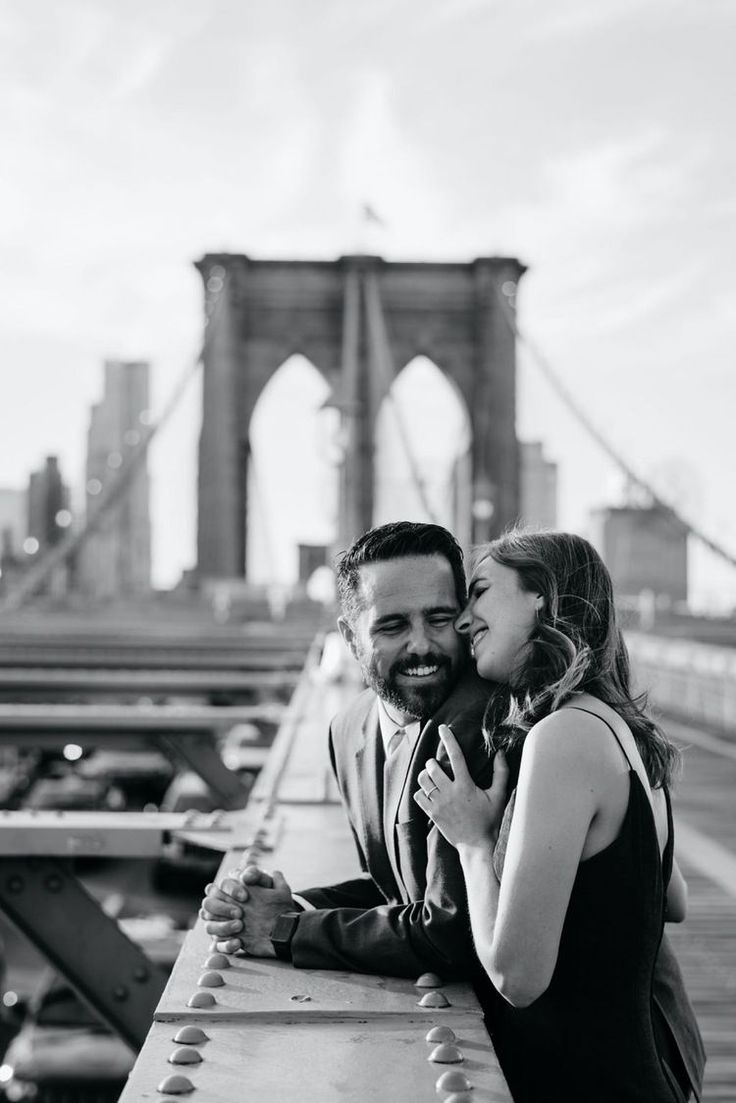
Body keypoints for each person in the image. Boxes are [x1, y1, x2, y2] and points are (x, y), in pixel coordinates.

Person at [414, 530, 704, 1103]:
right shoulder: (620, 726)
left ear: (540, 596)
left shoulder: (563, 736)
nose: (464, 621)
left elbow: (518, 978)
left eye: (481, 593)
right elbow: (672, 900)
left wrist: (473, 840)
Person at [202, 521, 494, 976]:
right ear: (351, 638)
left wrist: (285, 931)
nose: (422, 645)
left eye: (438, 619)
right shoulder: (348, 728)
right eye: (392, 626)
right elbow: (396, 890)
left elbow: (450, 933)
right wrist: (291, 905)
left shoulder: (480, 727)